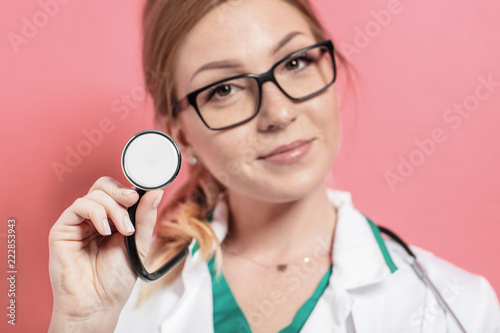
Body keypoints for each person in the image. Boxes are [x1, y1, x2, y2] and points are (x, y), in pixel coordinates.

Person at [48, 0, 500, 332]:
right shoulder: (121, 301)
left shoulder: (459, 308)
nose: (279, 114)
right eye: (224, 89)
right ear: (181, 133)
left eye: (297, 61)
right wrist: (85, 322)